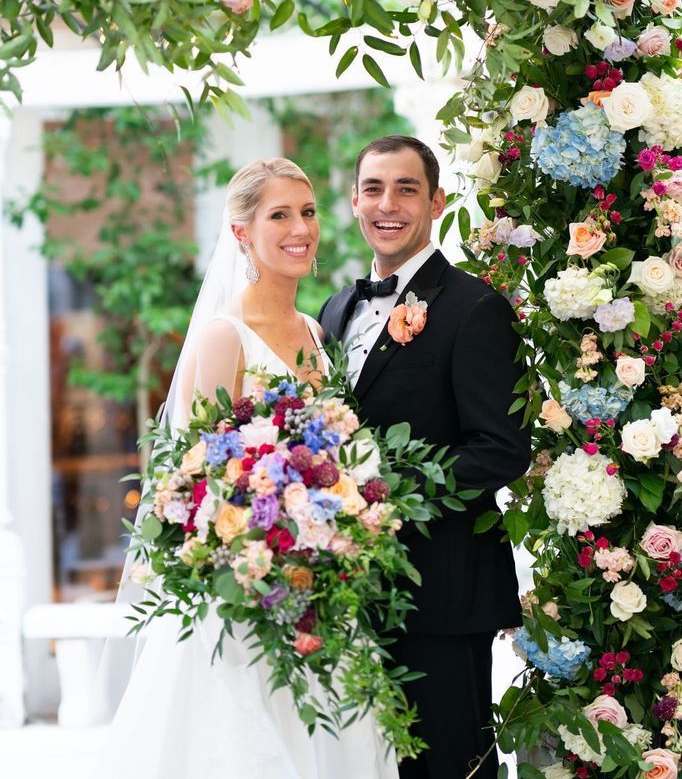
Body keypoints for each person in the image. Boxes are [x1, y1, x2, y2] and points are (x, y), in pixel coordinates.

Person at [98, 158, 398, 779]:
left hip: (324, 589)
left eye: (308, 212)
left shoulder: (316, 331)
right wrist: (268, 544)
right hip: (251, 599)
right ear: (241, 233)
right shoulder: (222, 337)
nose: (300, 229)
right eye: (280, 215)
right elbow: (198, 482)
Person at [319, 136, 532, 779]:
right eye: (374, 188)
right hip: (351, 594)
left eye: (407, 189)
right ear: (355, 201)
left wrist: (377, 487)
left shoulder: (476, 309)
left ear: (436, 201)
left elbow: (502, 450)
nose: (389, 204)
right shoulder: (333, 312)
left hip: (442, 591)